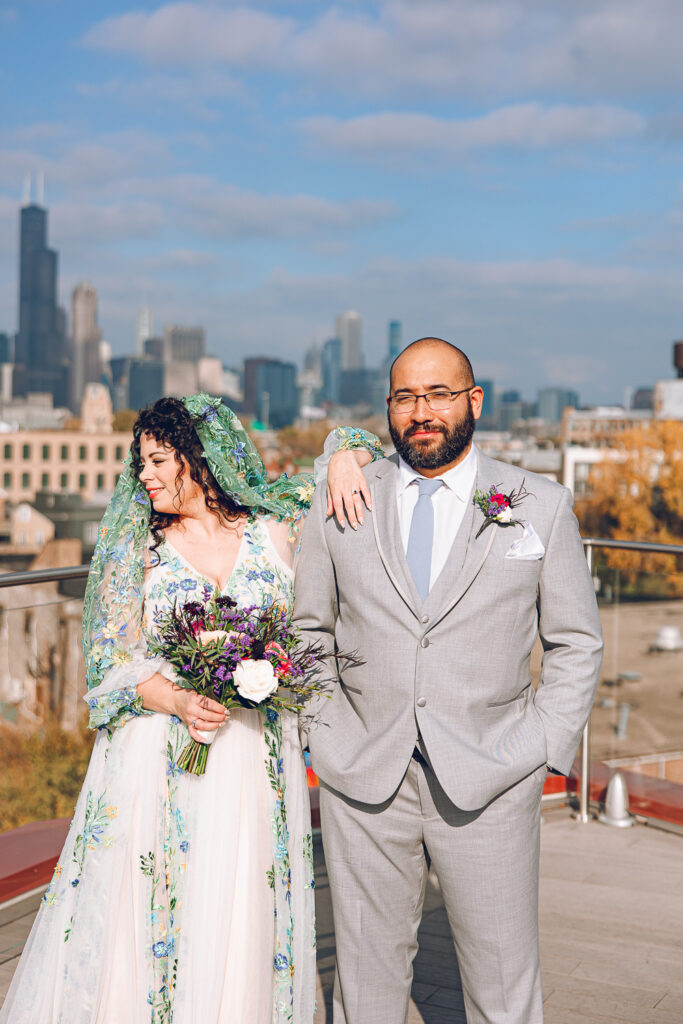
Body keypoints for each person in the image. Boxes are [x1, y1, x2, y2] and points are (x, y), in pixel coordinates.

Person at [0, 394, 381, 1024]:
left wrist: (342, 457)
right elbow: (108, 663)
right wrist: (177, 698)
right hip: (160, 757)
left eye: (156, 459)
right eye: (139, 461)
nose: (142, 474)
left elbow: (361, 440)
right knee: (156, 906)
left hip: (255, 757)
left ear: (198, 458)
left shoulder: (276, 529)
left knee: (240, 907)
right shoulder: (137, 550)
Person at [293, 337, 603, 1024]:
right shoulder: (339, 500)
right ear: (388, 409)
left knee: (501, 984)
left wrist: (541, 747)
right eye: (405, 397)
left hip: (492, 776)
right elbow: (307, 630)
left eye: (437, 393)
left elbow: (575, 641)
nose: (420, 411)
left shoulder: (539, 505)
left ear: (473, 400)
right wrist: (323, 729)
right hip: (363, 772)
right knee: (365, 987)